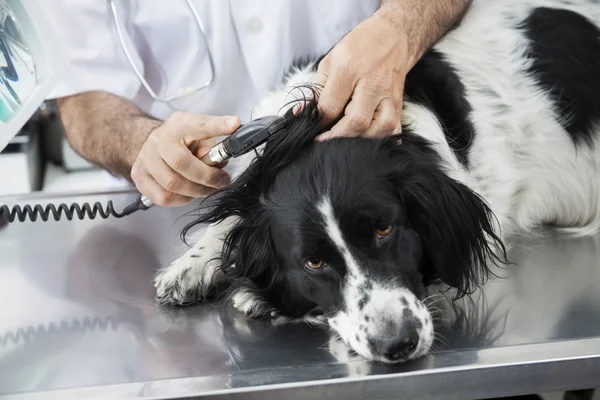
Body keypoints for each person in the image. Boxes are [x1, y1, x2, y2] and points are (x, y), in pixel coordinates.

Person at [45, 0, 471, 207]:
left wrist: (399, 28)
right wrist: (146, 145)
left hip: (380, 187)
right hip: (187, 215)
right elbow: (85, 97)